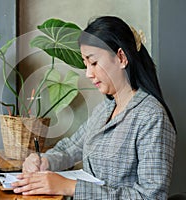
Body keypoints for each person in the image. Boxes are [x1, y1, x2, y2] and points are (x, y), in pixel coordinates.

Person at [11, 16, 176, 199]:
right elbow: (70, 148)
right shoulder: (105, 109)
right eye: (85, 64)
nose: (89, 74)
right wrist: (45, 161)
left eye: (94, 63)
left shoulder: (151, 116)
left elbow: (151, 196)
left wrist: (71, 187)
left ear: (121, 57)